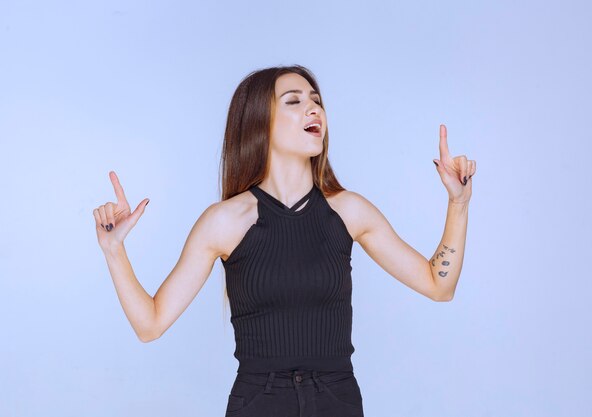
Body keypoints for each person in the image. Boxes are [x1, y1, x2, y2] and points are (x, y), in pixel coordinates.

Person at [93, 64, 476, 417]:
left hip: (337, 400)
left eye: (317, 101)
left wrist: (458, 203)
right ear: (261, 122)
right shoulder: (224, 222)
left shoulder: (349, 211)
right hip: (259, 401)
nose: (314, 109)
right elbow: (151, 324)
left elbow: (438, 285)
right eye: (294, 101)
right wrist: (114, 250)